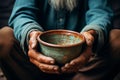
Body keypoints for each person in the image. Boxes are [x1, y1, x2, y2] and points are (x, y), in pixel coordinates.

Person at [0, 0, 118, 80]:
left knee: (117, 39)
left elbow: (101, 14)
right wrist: (31, 34)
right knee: (4, 37)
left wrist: (91, 35)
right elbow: (22, 13)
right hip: (35, 67)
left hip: (84, 66)